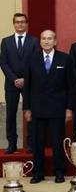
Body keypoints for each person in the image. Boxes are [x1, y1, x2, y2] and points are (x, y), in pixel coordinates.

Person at [23, 30, 72, 184]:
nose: (46, 41)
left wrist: (69, 108)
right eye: (43, 38)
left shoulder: (65, 58)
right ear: (40, 42)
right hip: (37, 109)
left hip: (58, 108)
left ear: (55, 41)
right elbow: (27, 86)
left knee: (58, 142)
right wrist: (27, 108)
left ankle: (59, 172)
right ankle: (38, 173)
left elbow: (70, 86)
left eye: (49, 39)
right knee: (37, 143)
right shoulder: (31, 59)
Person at [0, 13, 38, 154]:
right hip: (11, 83)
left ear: (26, 24)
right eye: (17, 22)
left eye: (23, 22)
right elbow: (3, 62)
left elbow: (35, 62)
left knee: (30, 113)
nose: (20, 24)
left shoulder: (34, 41)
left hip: (30, 83)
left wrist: (25, 79)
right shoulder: (6, 41)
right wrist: (14, 79)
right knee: (10, 114)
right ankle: (12, 144)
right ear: (14, 24)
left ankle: (31, 144)